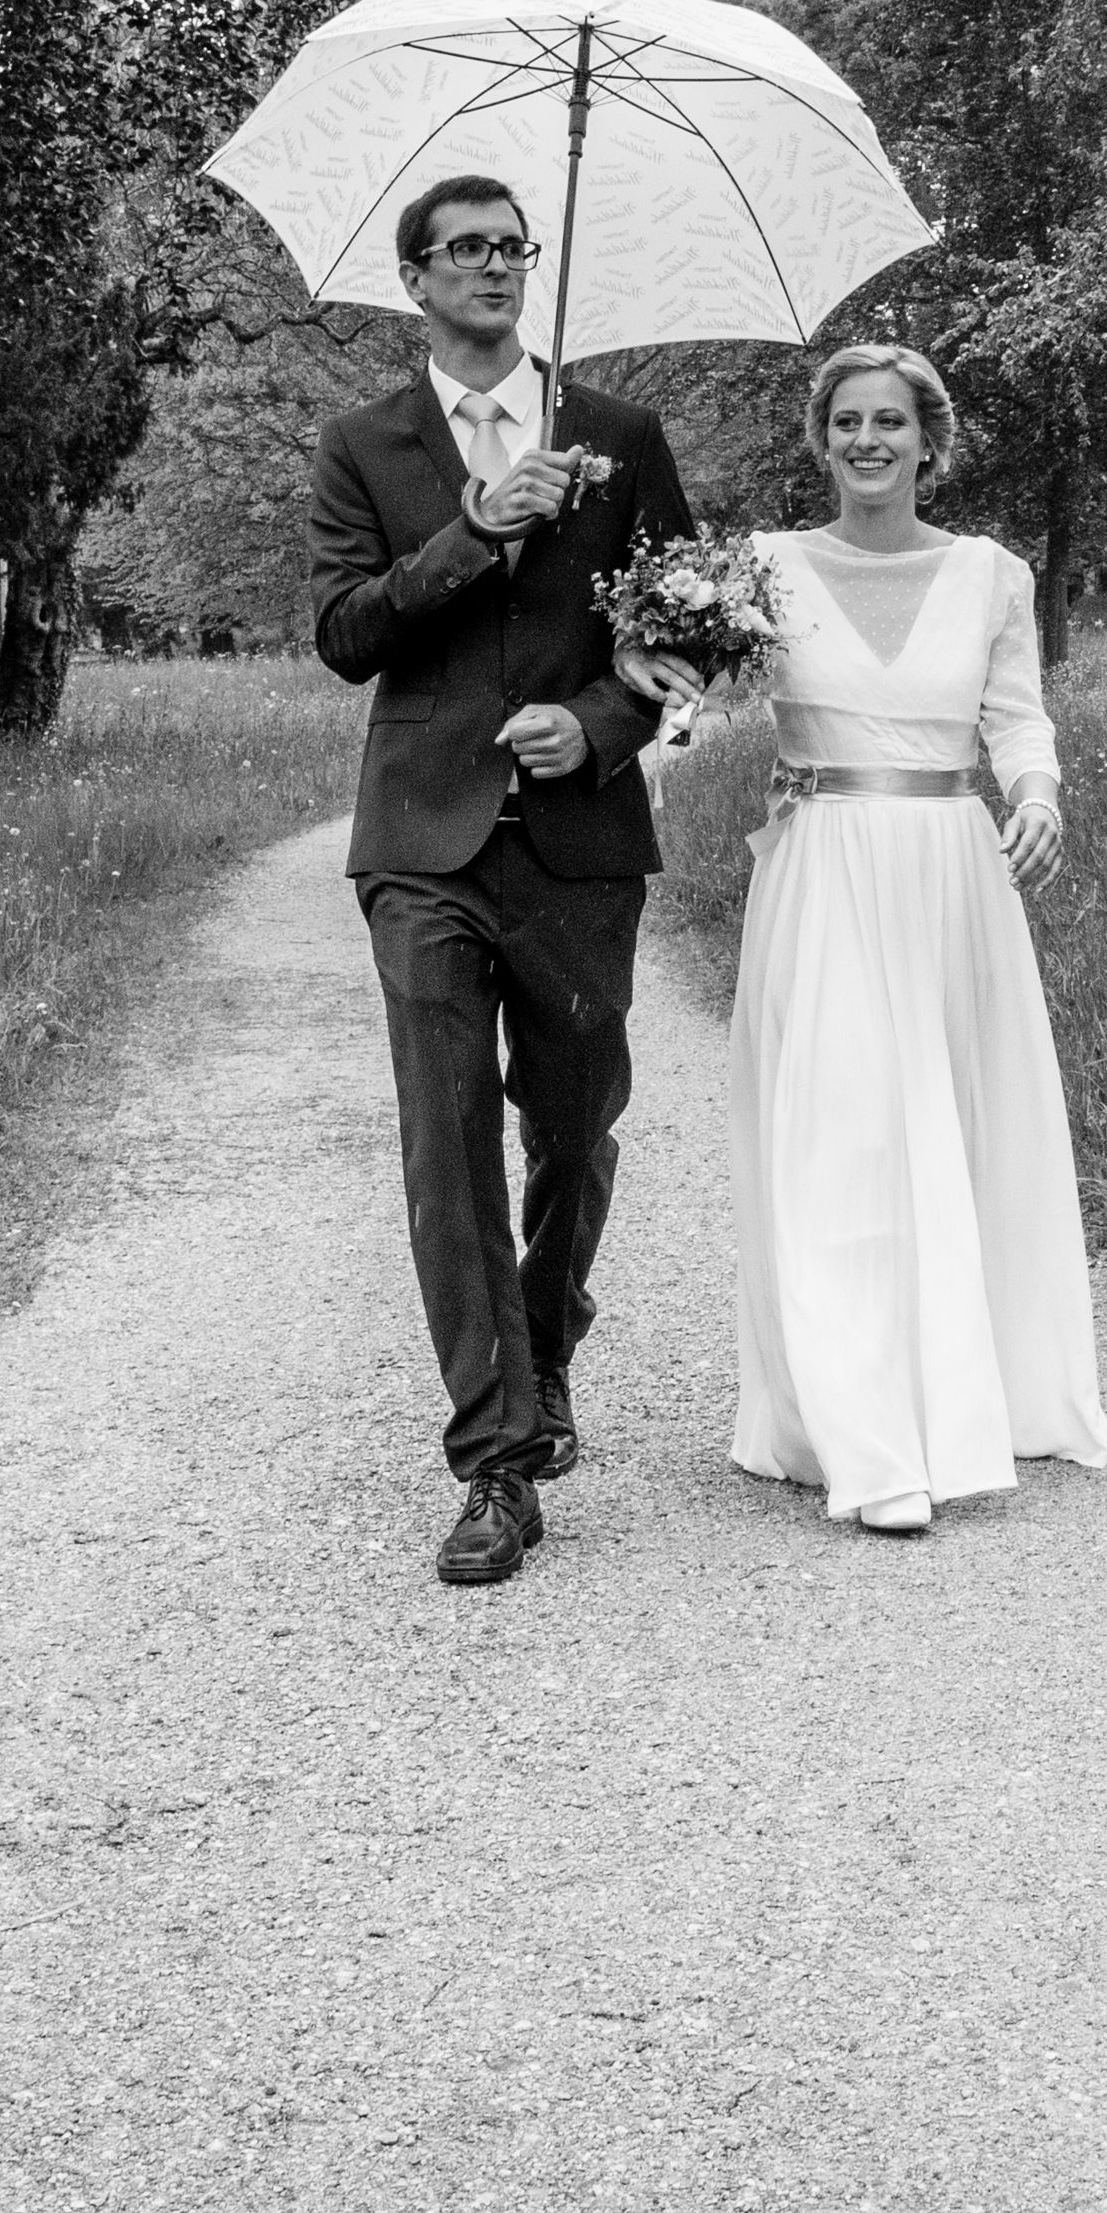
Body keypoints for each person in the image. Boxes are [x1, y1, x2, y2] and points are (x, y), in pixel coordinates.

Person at [307, 174, 702, 1588]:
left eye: (510, 247)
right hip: (421, 843)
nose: (491, 266)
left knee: (578, 1119)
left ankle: (548, 1335)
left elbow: (684, 634)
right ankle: (496, 1457)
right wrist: (476, 528)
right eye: (463, 249)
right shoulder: (365, 444)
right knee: (448, 1139)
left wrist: (594, 723)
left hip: (579, 841)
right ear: (415, 278)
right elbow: (347, 635)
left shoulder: (619, 436)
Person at [674, 342, 1107, 1537]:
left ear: (930, 439)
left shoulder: (990, 574)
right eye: (847, 422)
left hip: (951, 873)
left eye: (891, 423)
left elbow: (1018, 719)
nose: (869, 441)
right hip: (821, 872)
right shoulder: (760, 569)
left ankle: (955, 1392)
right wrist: (648, 707)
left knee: (947, 1129)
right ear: (821, 441)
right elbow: (690, 699)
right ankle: (865, 1444)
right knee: (838, 1138)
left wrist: (1038, 799)